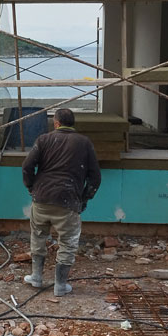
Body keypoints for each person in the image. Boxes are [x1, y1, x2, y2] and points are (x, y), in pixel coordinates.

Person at [21, 107, 101, 294]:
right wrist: (84, 198)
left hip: (41, 198)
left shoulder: (44, 139)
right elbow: (95, 177)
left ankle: (36, 278)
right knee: (67, 242)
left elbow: (27, 166)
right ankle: (60, 285)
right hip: (68, 200)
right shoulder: (84, 142)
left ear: (56, 123)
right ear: (72, 123)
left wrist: (31, 187)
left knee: (38, 236)